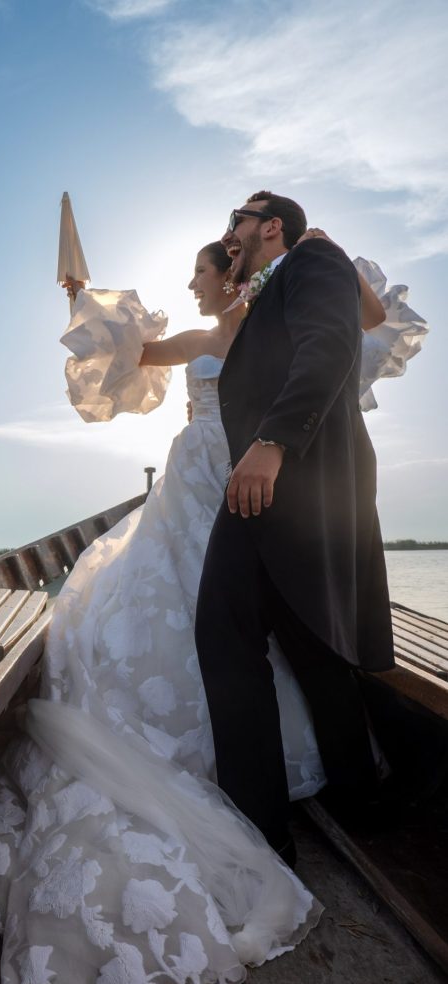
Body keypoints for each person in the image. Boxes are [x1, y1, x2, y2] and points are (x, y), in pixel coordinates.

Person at [0, 232, 422, 984]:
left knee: (256, 634)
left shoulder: (280, 316)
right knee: (178, 618)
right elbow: (136, 354)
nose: (188, 285)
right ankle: (252, 792)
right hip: (193, 484)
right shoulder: (204, 336)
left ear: (234, 273)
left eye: (198, 272)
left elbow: (342, 346)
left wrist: (321, 250)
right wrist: (79, 299)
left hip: (251, 485)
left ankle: (295, 791)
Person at [195, 191, 396, 865]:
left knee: (224, 632)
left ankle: (260, 831)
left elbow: (333, 343)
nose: (229, 234)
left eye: (236, 221)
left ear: (271, 225)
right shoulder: (282, 278)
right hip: (299, 481)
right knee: (310, 641)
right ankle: (358, 799)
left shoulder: (311, 259)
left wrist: (272, 442)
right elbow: (355, 321)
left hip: (280, 474)